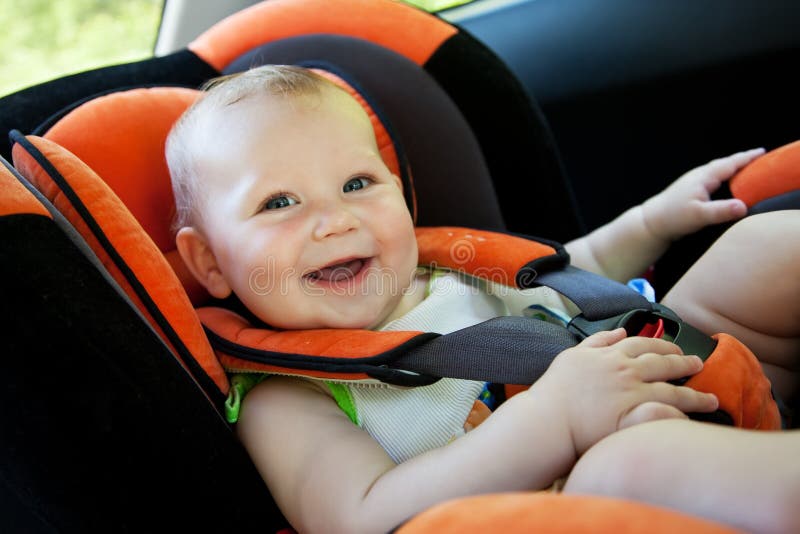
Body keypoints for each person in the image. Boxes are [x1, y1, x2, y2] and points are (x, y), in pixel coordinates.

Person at [166, 65, 799, 534]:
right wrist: (555, 420)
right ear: (211, 263)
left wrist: (651, 220)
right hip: (582, 494)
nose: (335, 220)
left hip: (685, 366)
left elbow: (581, 271)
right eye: (279, 202)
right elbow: (359, 517)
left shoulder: (450, 267)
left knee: (761, 250)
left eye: (357, 183)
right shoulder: (287, 394)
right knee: (638, 462)